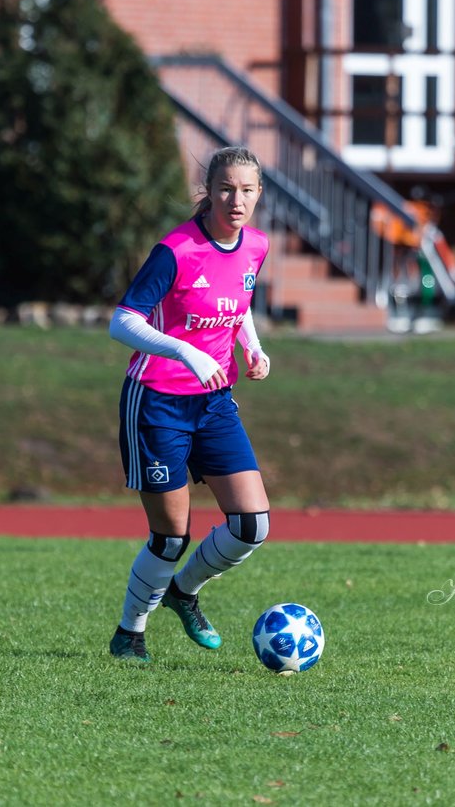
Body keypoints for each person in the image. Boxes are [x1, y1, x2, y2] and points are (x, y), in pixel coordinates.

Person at [106, 146, 273, 664]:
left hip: (214, 402)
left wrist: (253, 345)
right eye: (226, 188)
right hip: (156, 402)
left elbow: (236, 303)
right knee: (170, 536)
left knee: (252, 525)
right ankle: (130, 634)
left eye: (247, 190)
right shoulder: (176, 250)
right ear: (208, 191)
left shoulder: (257, 247)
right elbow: (122, 321)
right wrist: (184, 350)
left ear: (259, 194)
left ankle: (184, 593)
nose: (236, 199)